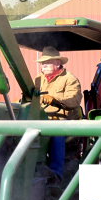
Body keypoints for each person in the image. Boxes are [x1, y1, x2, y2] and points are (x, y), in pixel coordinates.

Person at [34, 46, 83, 184]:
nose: (43, 65)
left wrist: (55, 100)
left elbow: (74, 100)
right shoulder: (38, 79)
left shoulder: (70, 79)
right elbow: (30, 97)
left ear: (57, 63)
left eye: (47, 62)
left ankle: (56, 174)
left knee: (56, 131)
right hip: (42, 119)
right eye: (42, 63)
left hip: (63, 120)